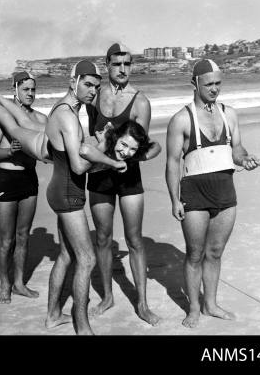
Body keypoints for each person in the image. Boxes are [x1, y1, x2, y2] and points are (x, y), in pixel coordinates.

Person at [0, 61, 130, 335]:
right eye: (88, 84)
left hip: (59, 181)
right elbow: (80, 167)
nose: (93, 91)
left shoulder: (65, 109)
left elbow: (77, 153)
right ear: (74, 82)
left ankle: (52, 315)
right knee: (87, 259)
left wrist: (101, 147)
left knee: (67, 255)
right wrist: (111, 163)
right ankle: (82, 326)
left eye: (96, 85)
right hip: (67, 192)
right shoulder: (68, 116)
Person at [165, 59, 260, 328]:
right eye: (209, 84)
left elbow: (237, 149)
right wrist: (175, 199)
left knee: (215, 251)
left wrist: (245, 160)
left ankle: (211, 304)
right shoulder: (181, 119)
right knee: (195, 254)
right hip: (194, 192)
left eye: (218, 83)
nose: (214, 88)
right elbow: (172, 162)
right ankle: (194, 308)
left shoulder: (229, 114)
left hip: (225, 191)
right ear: (194, 84)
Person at [84, 43, 162, 326]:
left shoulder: (140, 101)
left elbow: (146, 143)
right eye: (117, 64)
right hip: (100, 176)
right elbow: (90, 139)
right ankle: (107, 296)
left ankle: (141, 303)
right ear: (107, 65)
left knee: (135, 240)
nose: (122, 69)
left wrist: (129, 155)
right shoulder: (95, 97)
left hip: (129, 177)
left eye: (127, 64)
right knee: (103, 238)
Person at [0, 71, 46, 304]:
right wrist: (10, 151)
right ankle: (5, 285)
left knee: (23, 236)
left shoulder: (40, 119)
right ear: (15, 90)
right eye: (25, 89)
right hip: (6, 179)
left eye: (33, 90)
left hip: (29, 179)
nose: (30, 94)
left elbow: (46, 149)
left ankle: (19, 284)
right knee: (6, 240)